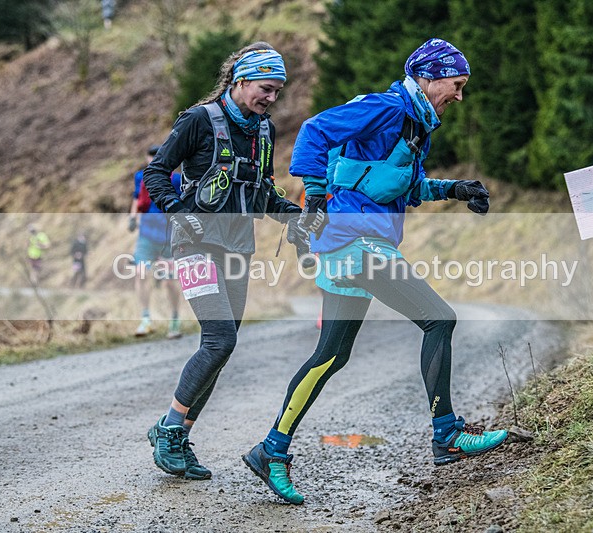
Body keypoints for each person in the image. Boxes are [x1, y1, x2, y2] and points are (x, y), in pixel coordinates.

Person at [242, 38, 507, 505]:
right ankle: (446, 433)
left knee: (331, 355)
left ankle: (271, 450)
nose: (459, 96)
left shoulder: (416, 124)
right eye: (456, 84)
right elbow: (315, 130)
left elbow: (403, 186)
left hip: (353, 243)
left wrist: (456, 189)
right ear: (428, 77)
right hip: (354, 241)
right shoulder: (386, 108)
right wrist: (316, 192)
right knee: (439, 319)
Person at [142, 42, 308, 480]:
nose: (271, 98)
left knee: (220, 347)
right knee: (220, 340)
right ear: (240, 81)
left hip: (238, 247)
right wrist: (177, 211)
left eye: (277, 91)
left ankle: (179, 435)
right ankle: (168, 429)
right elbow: (156, 172)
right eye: (266, 88)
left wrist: (295, 216)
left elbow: (261, 192)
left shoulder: (264, 131)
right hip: (194, 244)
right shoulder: (199, 119)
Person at [129, 144, 183, 339]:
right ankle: (146, 319)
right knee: (140, 273)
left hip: (169, 238)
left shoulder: (176, 179)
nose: (152, 159)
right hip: (146, 236)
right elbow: (137, 198)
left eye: (156, 156)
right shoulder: (141, 177)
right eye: (150, 156)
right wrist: (132, 217)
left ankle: (175, 319)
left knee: (169, 282)